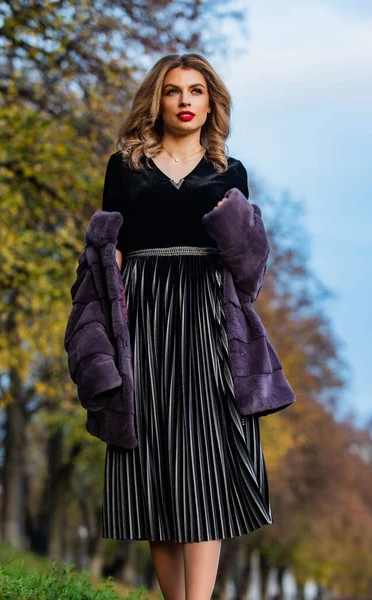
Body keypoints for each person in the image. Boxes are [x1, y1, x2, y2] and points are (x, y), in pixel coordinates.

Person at [101, 53, 272, 600]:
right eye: (173, 91)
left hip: (206, 318)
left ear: (209, 102)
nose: (184, 101)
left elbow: (248, 266)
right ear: (158, 100)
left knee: (203, 463)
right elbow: (111, 255)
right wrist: (110, 329)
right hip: (144, 317)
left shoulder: (230, 171)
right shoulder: (123, 168)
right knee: (152, 465)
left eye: (195, 91)